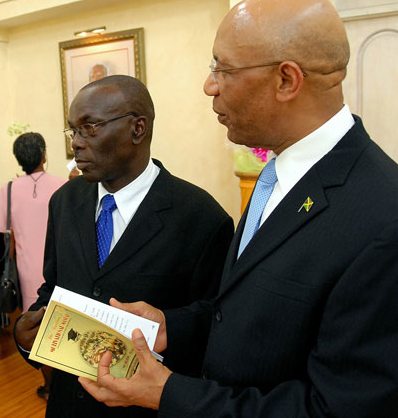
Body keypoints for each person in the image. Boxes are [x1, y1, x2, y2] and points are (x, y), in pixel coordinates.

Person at [79, 0, 398, 417]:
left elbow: (336, 408)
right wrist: (169, 327)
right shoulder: (276, 176)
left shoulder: (381, 217)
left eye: (223, 69)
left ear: (286, 80)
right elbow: (250, 315)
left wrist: (167, 393)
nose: (209, 86)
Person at [14, 74, 234, 418]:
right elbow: (55, 287)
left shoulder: (201, 218)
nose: (77, 143)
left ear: (138, 129)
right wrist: (29, 333)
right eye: (73, 131)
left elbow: (215, 321)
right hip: (70, 404)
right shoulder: (64, 202)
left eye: (90, 128)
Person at [0, 132, 66, 401]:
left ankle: (49, 386)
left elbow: (5, 233)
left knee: (38, 330)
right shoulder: (63, 185)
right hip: (59, 267)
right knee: (64, 325)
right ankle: (67, 383)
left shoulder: (9, 189)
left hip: (27, 271)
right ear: (44, 155)